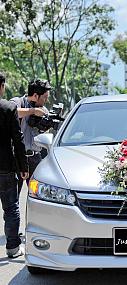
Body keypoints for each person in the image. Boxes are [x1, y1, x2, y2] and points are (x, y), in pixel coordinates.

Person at [0, 72, 29, 258]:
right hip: (5, 167)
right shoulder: (8, 108)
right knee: (11, 207)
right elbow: (17, 140)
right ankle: (12, 248)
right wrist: (23, 166)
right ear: (1, 86)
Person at [10, 79, 51, 192]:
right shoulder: (17, 102)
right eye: (45, 97)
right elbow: (12, 112)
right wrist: (33, 111)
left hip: (35, 159)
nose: (46, 101)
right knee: (13, 198)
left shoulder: (44, 111)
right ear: (35, 95)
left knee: (36, 194)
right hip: (17, 158)